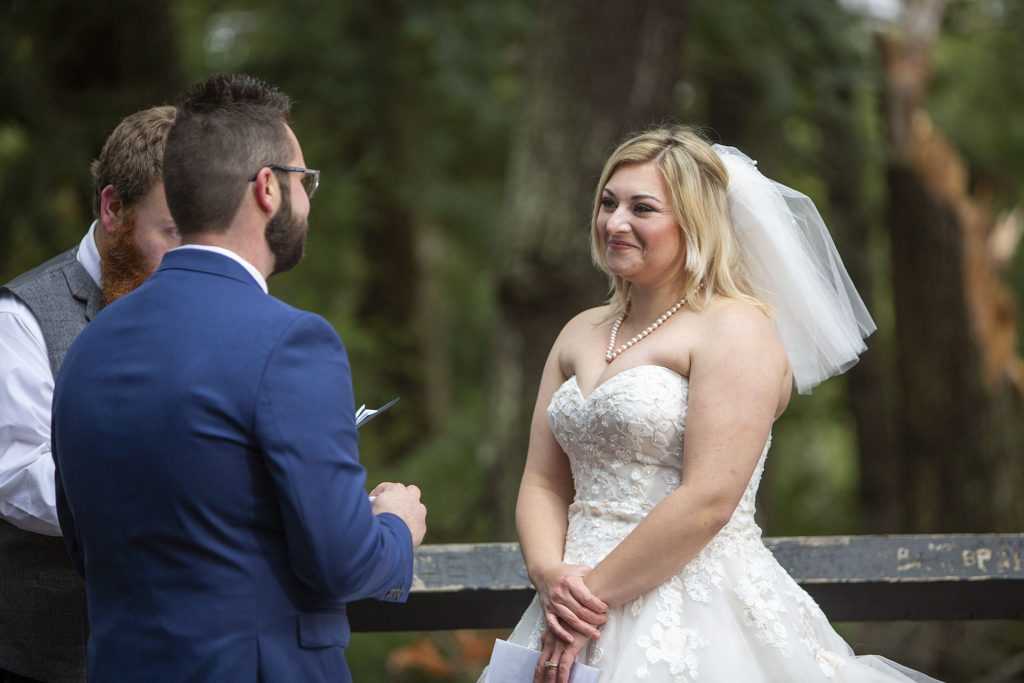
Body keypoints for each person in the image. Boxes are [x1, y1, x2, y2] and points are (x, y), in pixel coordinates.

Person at [483, 126, 942, 682]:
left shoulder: (735, 329)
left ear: (694, 222)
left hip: (689, 602)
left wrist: (588, 602)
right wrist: (551, 576)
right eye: (608, 203)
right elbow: (543, 482)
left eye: (641, 208)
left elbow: (708, 500)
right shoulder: (579, 331)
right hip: (567, 601)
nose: (614, 222)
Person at [50, 73, 427, 682]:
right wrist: (395, 526)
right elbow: (341, 561)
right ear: (269, 189)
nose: (310, 198)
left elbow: (86, 545)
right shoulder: (293, 342)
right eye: (306, 180)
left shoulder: (91, 344)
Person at [0, 105, 178, 683]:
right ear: (111, 210)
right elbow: (20, 478)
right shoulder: (20, 318)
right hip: (52, 662)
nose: (188, 261)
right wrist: (178, 491)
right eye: (172, 232)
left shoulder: (188, 308)